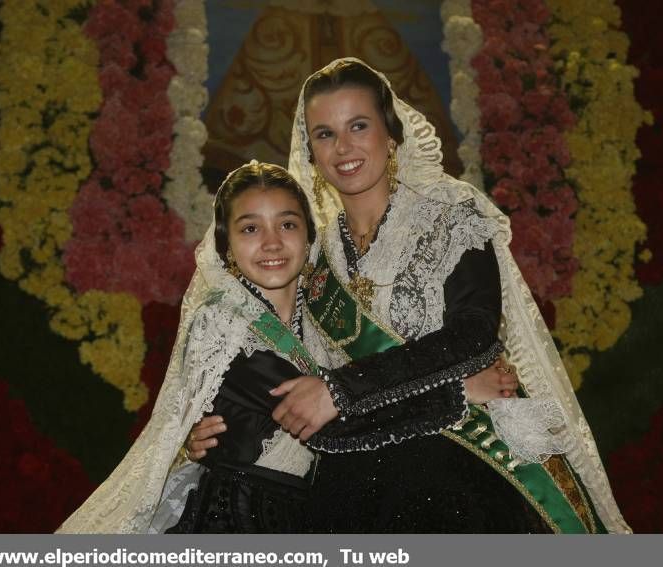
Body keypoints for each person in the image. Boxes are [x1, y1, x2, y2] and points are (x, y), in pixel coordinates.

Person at [190, 59, 631, 534]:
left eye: (358, 126)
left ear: (391, 134)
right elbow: (263, 360)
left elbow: (474, 335)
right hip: (344, 488)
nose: (343, 148)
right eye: (324, 134)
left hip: (455, 472)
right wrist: (201, 437)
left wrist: (342, 391)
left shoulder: (449, 218)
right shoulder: (307, 254)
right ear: (310, 151)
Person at [57, 160, 514, 534]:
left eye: (288, 224)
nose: (272, 243)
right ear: (227, 247)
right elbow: (336, 428)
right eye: (250, 229)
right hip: (236, 523)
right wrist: (458, 394)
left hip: (303, 518)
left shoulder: (322, 319)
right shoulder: (226, 324)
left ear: (310, 237)